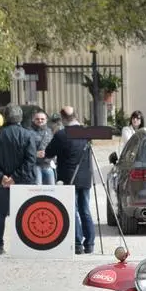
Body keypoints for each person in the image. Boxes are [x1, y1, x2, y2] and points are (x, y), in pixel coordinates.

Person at [0, 105, 38, 255]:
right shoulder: (28, 135)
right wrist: (16, 177)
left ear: (5, 117)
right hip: (24, 181)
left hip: (2, 182)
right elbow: (31, 160)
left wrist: (2, 177)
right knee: (25, 213)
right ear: (20, 117)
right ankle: (25, 245)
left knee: (0, 214)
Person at [46, 106, 95, 254]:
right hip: (85, 176)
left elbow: (49, 152)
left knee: (72, 210)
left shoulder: (61, 134)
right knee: (85, 209)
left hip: (69, 177)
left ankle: (77, 243)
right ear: (76, 115)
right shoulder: (86, 133)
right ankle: (90, 243)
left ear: (63, 119)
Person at [29, 110, 55, 185]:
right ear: (33, 120)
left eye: (42, 119)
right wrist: (35, 154)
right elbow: (24, 149)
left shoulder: (50, 132)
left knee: (52, 190)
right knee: (37, 190)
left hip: (48, 165)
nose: (40, 121)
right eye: (37, 119)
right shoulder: (28, 132)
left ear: (46, 120)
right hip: (35, 165)